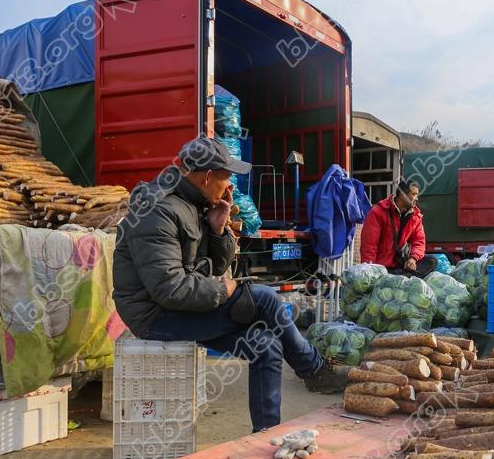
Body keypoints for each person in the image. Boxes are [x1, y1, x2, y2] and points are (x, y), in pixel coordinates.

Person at [113, 136, 347, 432]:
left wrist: (219, 228)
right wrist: (224, 290)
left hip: (182, 308)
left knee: (266, 343)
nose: (230, 186)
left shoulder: (196, 204)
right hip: (155, 315)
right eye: (227, 177)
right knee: (264, 299)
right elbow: (169, 289)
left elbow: (217, 267)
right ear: (208, 176)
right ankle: (314, 370)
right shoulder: (158, 211)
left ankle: (265, 434)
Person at [360, 180, 438, 277]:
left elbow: (419, 242)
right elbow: (369, 245)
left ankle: (400, 277)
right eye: (414, 194)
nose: (417, 198)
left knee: (432, 260)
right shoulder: (378, 212)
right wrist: (370, 271)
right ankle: (400, 278)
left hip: (401, 264)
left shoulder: (416, 216)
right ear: (402, 194)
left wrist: (413, 259)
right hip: (382, 267)